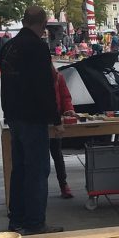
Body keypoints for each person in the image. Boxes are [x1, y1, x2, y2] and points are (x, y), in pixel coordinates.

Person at [0, 6, 63, 234]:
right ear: (43, 24)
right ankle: (35, 223)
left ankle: (16, 220)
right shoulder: (37, 47)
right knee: (37, 171)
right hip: (33, 117)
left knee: (19, 170)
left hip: (14, 115)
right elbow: (44, 86)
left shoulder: (8, 46)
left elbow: (6, 83)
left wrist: (7, 112)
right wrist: (56, 119)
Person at [51, 66, 75, 198]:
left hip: (56, 121)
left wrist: (69, 109)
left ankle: (63, 184)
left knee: (57, 155)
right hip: (41, 122)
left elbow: (65, 96)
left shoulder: (58, 76)